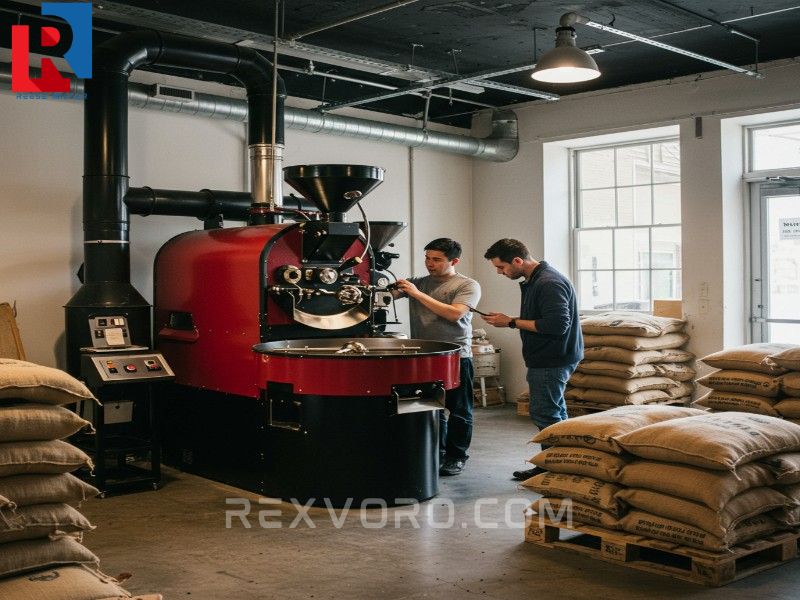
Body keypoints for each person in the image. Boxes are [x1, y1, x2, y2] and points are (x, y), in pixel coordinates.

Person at [481, 239, 582, 480]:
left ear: (517, 260)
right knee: (554, 411)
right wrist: (509, 320)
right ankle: (561, 463)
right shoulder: (536, 280)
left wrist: (511, 322)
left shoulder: (548, 282)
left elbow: (557, 325)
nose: (500, 272)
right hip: (550, 356)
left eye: (501, 267)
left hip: (552, 358)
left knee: (545, 413)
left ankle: (551, 467)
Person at [393, 238, 481, 476]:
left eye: (436, 260)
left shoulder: (467, 285)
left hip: (456, 357)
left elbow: (454, 314)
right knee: (431, 407)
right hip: (424, 357)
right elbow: (385, 294)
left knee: (459, 411)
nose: (429, 264)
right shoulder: (418, 282)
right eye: (427, 258)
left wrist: (416, 294)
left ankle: (456, 456)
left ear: (454, 261)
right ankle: (437, 452)